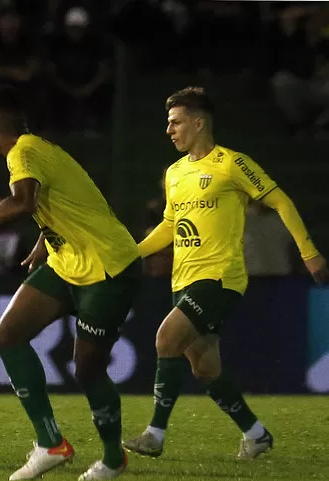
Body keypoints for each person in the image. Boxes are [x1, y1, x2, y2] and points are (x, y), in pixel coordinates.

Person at [0, 85, 141, 481]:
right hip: (66, 261)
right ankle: (51, 443)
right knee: (6, 335)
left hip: (108, 268)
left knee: (88, 369)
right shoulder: (43, 149)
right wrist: (46, 238)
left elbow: (23, 201)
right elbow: (69, 200)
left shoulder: (23, 153)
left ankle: (113, 457)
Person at [123, 86, 329, 461]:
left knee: (165, 339)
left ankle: (154, 434)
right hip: (182, 279)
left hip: (220, 277)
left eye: (176, 122)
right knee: (205, 369)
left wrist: (309, 250)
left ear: (198, 122)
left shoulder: (232, 164)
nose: (169, 130)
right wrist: (131, 253)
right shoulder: (174, 173)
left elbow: (280, 200)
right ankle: (256, 434)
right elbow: (171, 224)